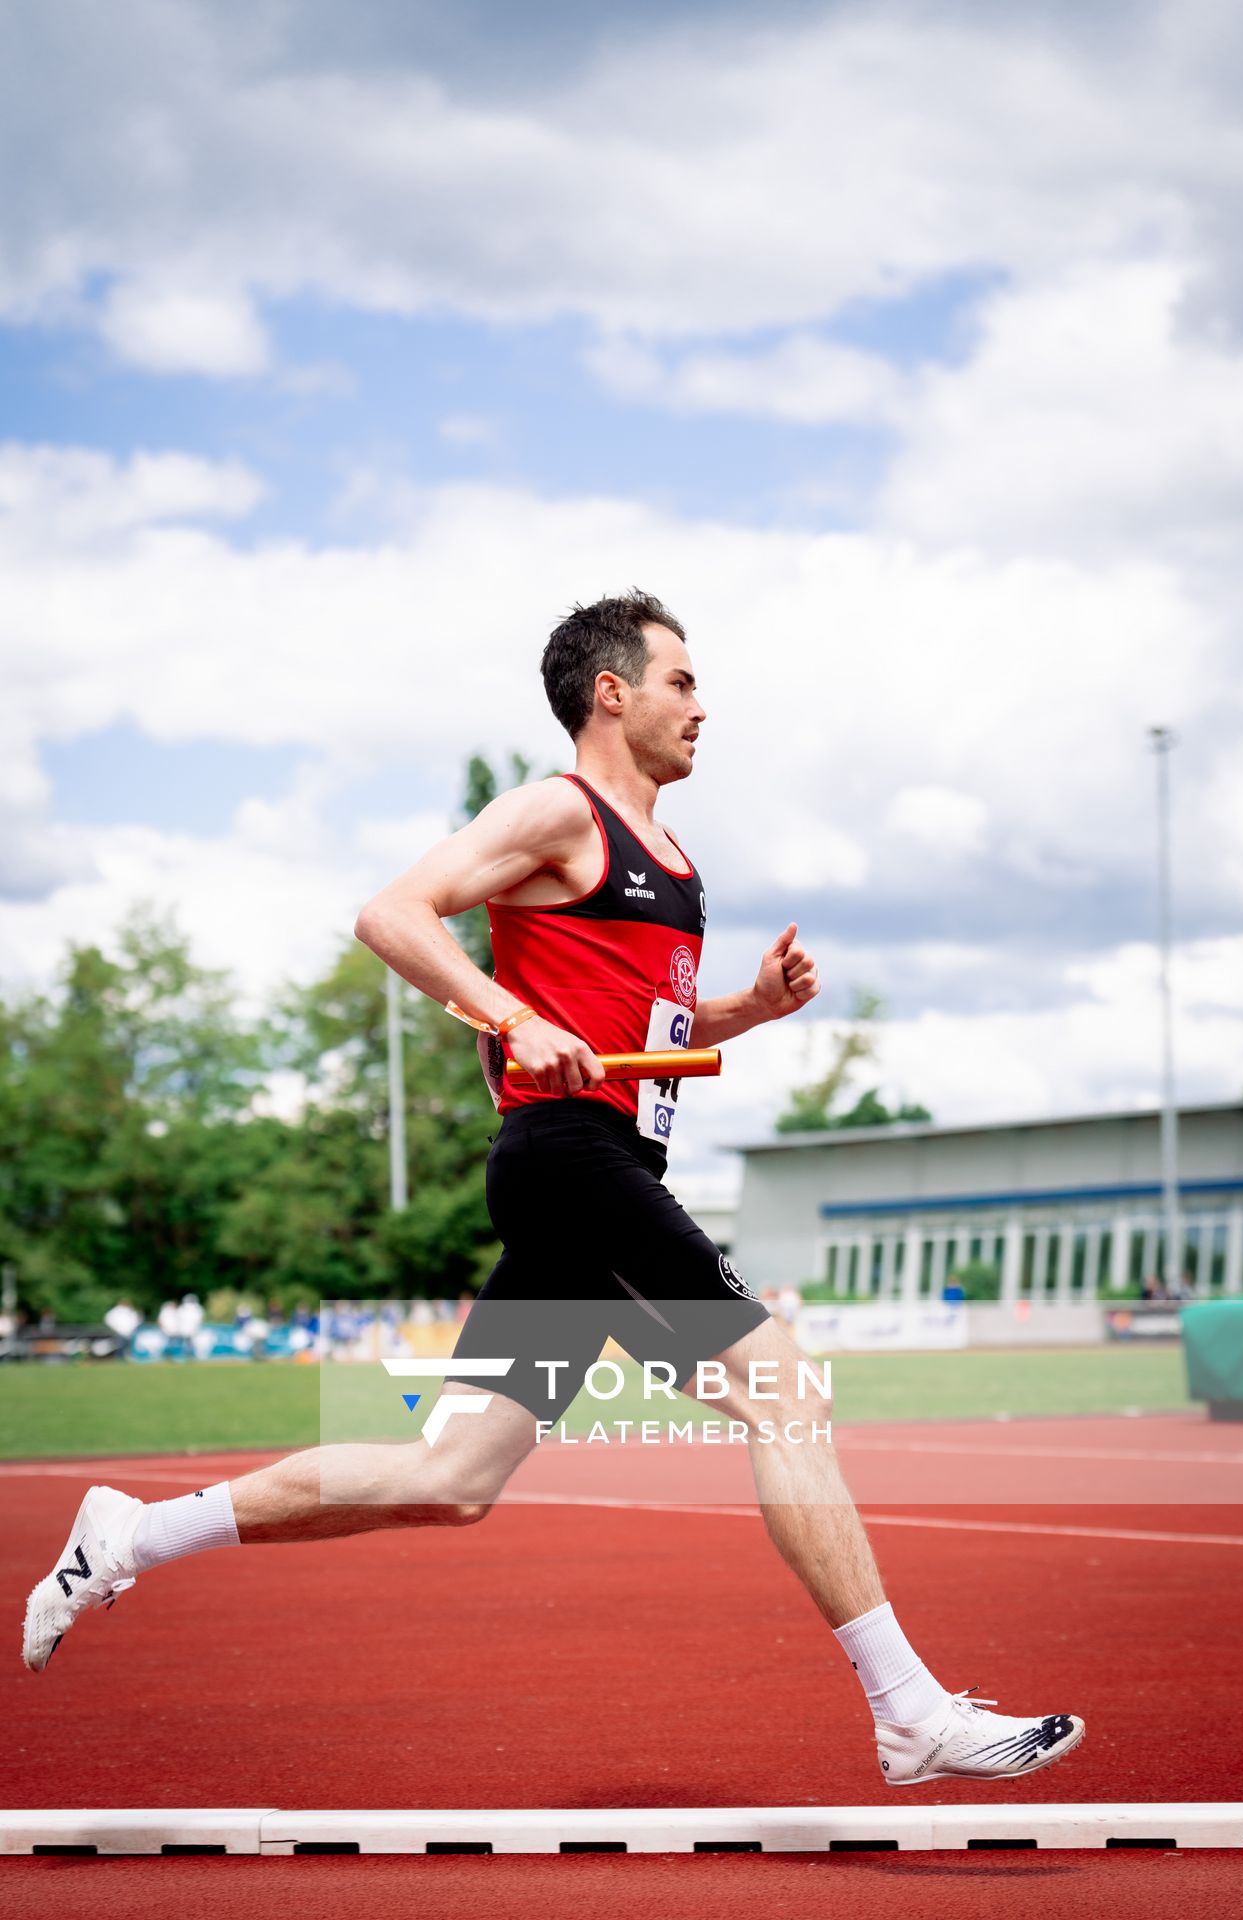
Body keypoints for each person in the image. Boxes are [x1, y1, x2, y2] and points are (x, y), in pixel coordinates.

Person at [22, 590, 1082, 1786]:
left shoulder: (671, 862)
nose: (700, 704)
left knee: (450, 1479)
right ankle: (907, 1710)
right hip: (570, 1159)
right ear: (610, 692)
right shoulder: (554, 811)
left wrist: (745, 1008)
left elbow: (647, 1027)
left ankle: (128, 1532)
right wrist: (508, 1014)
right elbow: (391, 912)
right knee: (778, 1387)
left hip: (599, 1167)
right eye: (681, 680)